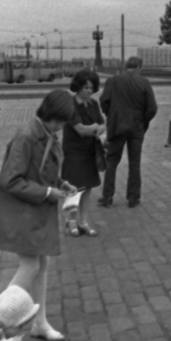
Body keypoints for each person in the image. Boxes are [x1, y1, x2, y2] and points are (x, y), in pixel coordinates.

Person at [0, 89, 77, 341]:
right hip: (22, 213)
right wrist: (48, 191)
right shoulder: (27, 137)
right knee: (31, 265)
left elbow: (40, 171)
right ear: (49, 114)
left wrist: (61, 183)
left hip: (33, 210)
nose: (61, 127)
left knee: (42, 264)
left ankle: (39, 323)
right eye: (59, 120)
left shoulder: (45, 133)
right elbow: (11, 180)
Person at [99, 57, 158, 208]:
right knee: (134, 162)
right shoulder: (144, 82)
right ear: (139, 67)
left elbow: (104, 101)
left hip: (117, 126)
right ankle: (133, 198)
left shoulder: (113, 81)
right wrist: (142, 121)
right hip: (136, 127)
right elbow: (152, 108)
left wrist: (112, 115)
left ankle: (107, 197)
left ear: (126, 67)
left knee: (112, 160)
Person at [62, 69, 105, 237]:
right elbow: (80, 129)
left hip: (90, 151)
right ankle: (71, 222)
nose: (89, 90)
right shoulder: (70, 105)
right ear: (78, 87)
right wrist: (95, 128)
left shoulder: (94, 104)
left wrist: (95, 129)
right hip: (73, 151)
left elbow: (103, 124)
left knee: (87, 188)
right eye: (86, 87)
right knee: (74, 188)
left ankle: (83, 221)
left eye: (91, 87)